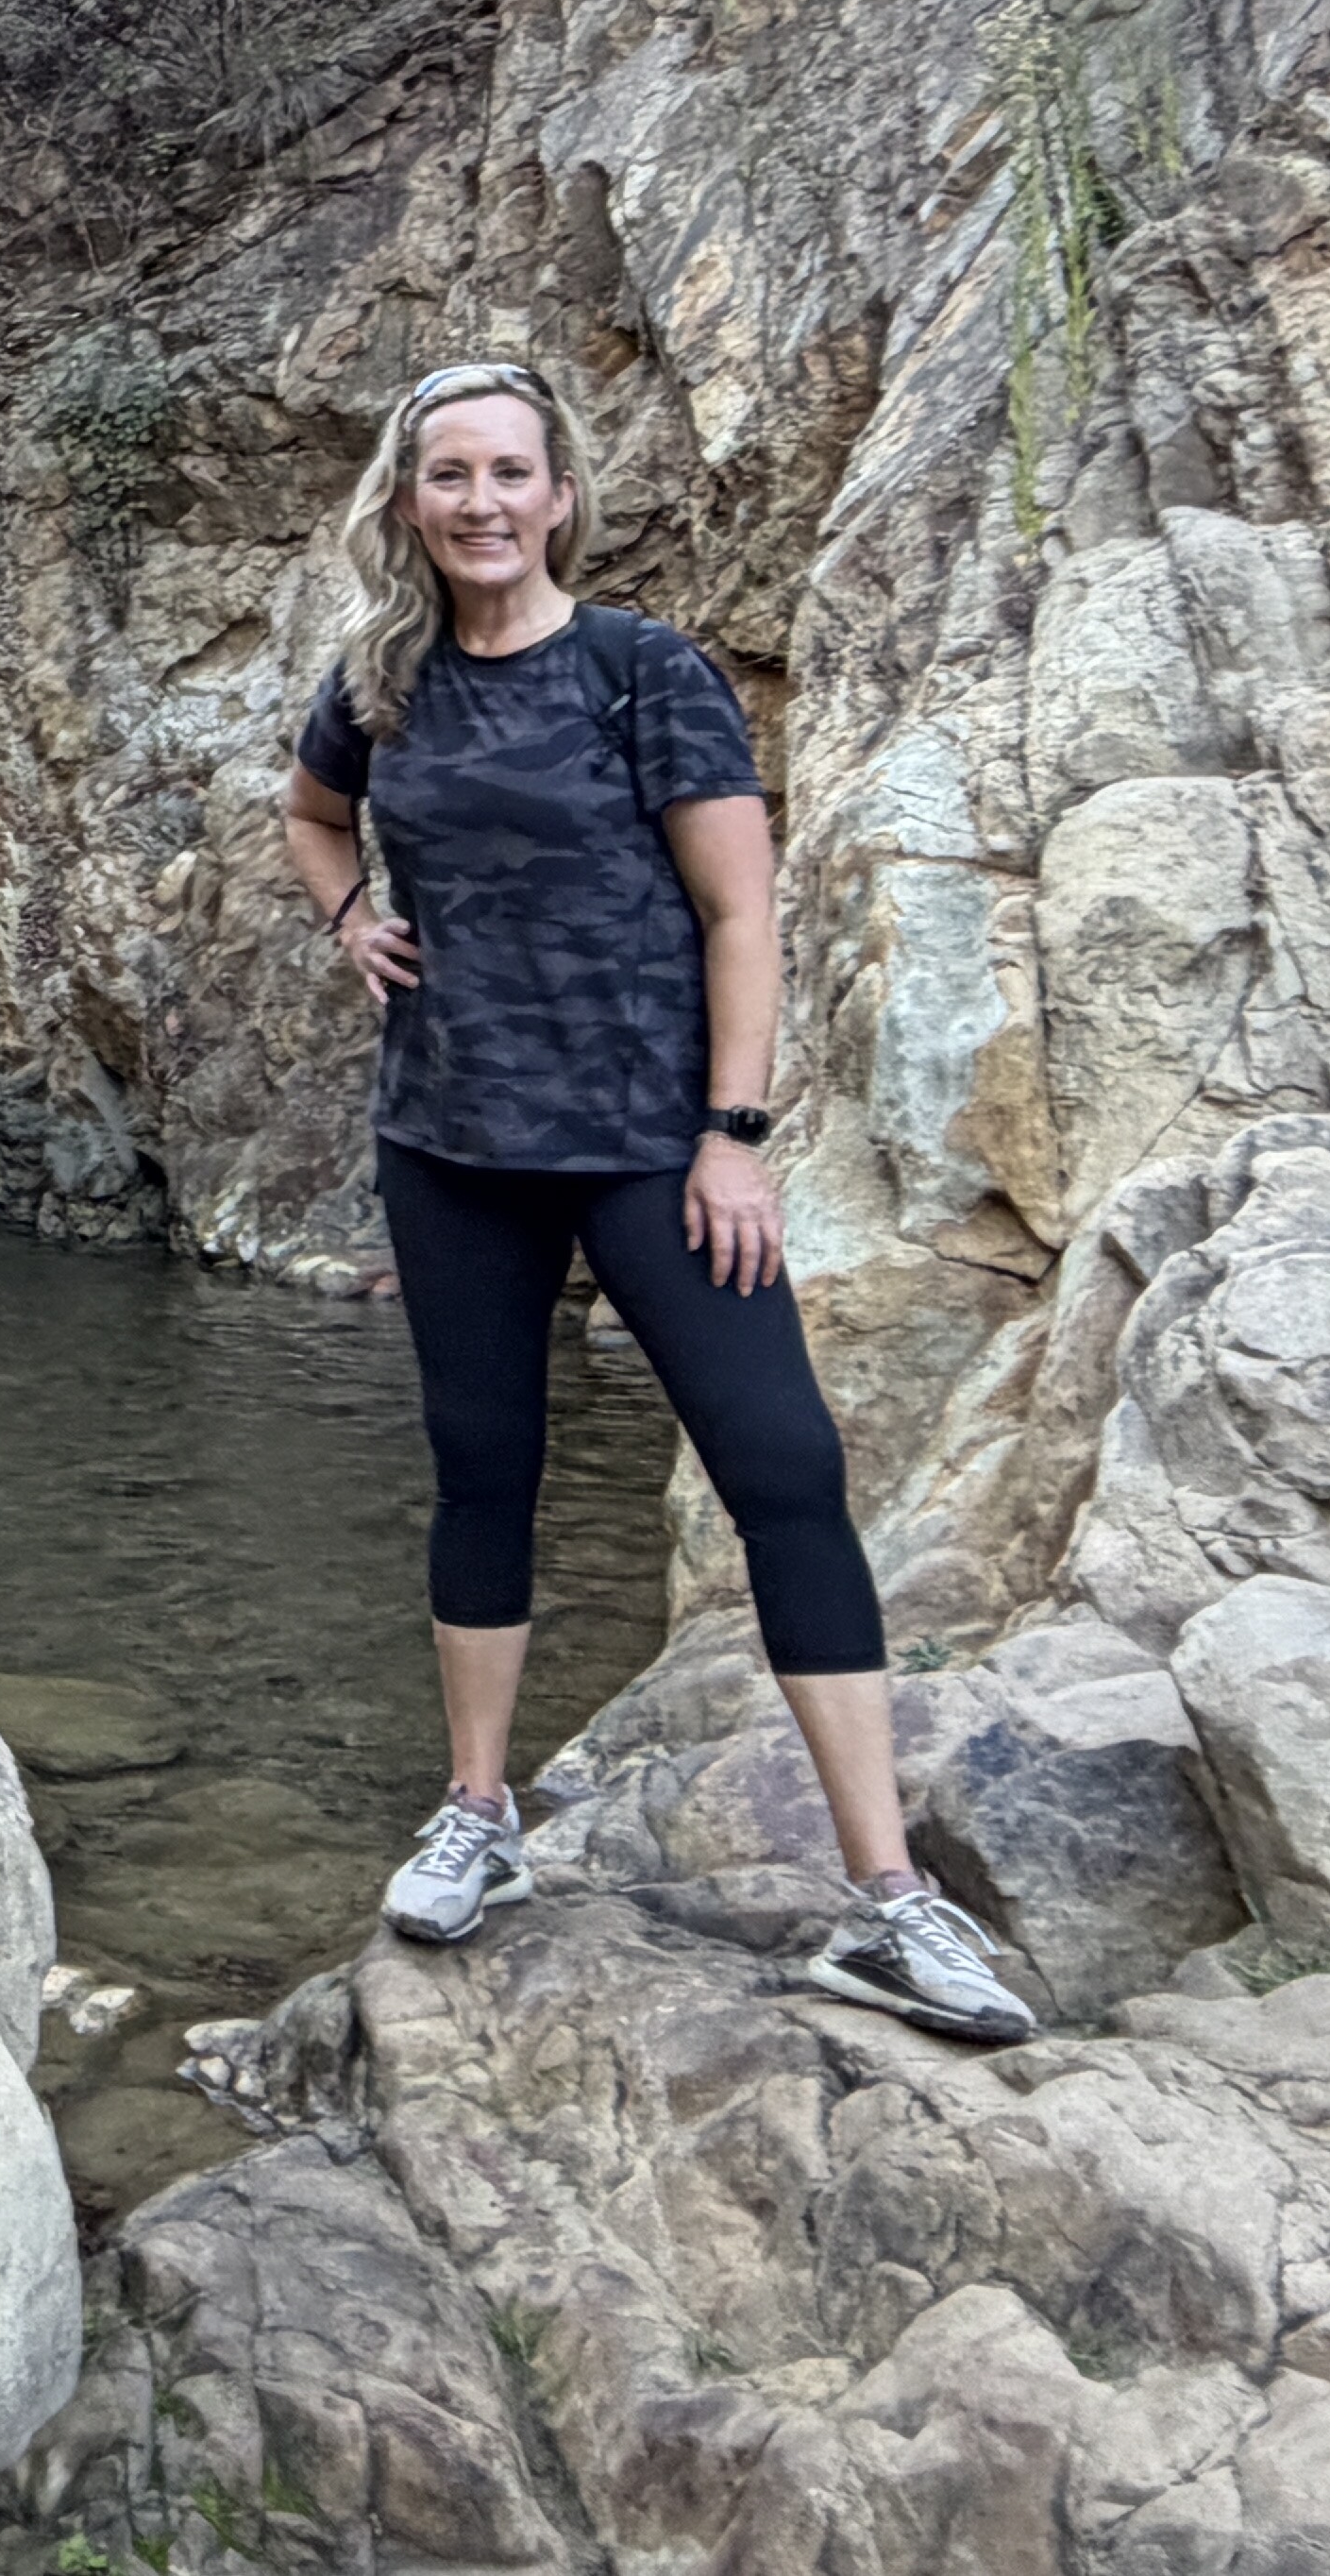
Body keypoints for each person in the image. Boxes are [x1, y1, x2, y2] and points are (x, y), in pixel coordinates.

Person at [278, 358, 1034, 2042]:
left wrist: (732, 1133)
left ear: (560, 499)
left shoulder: (643, 672)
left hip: (645, 1145)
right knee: (487, 1474)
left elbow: (741, 918)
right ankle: (481, 1815)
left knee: (785, 1469)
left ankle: (893, 1903)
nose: (481, 503)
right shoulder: (379, 683)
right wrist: (348, 923)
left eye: (510, 475)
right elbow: (314, 818)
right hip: (451, 1144)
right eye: (449, 475)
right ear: (411, 502)